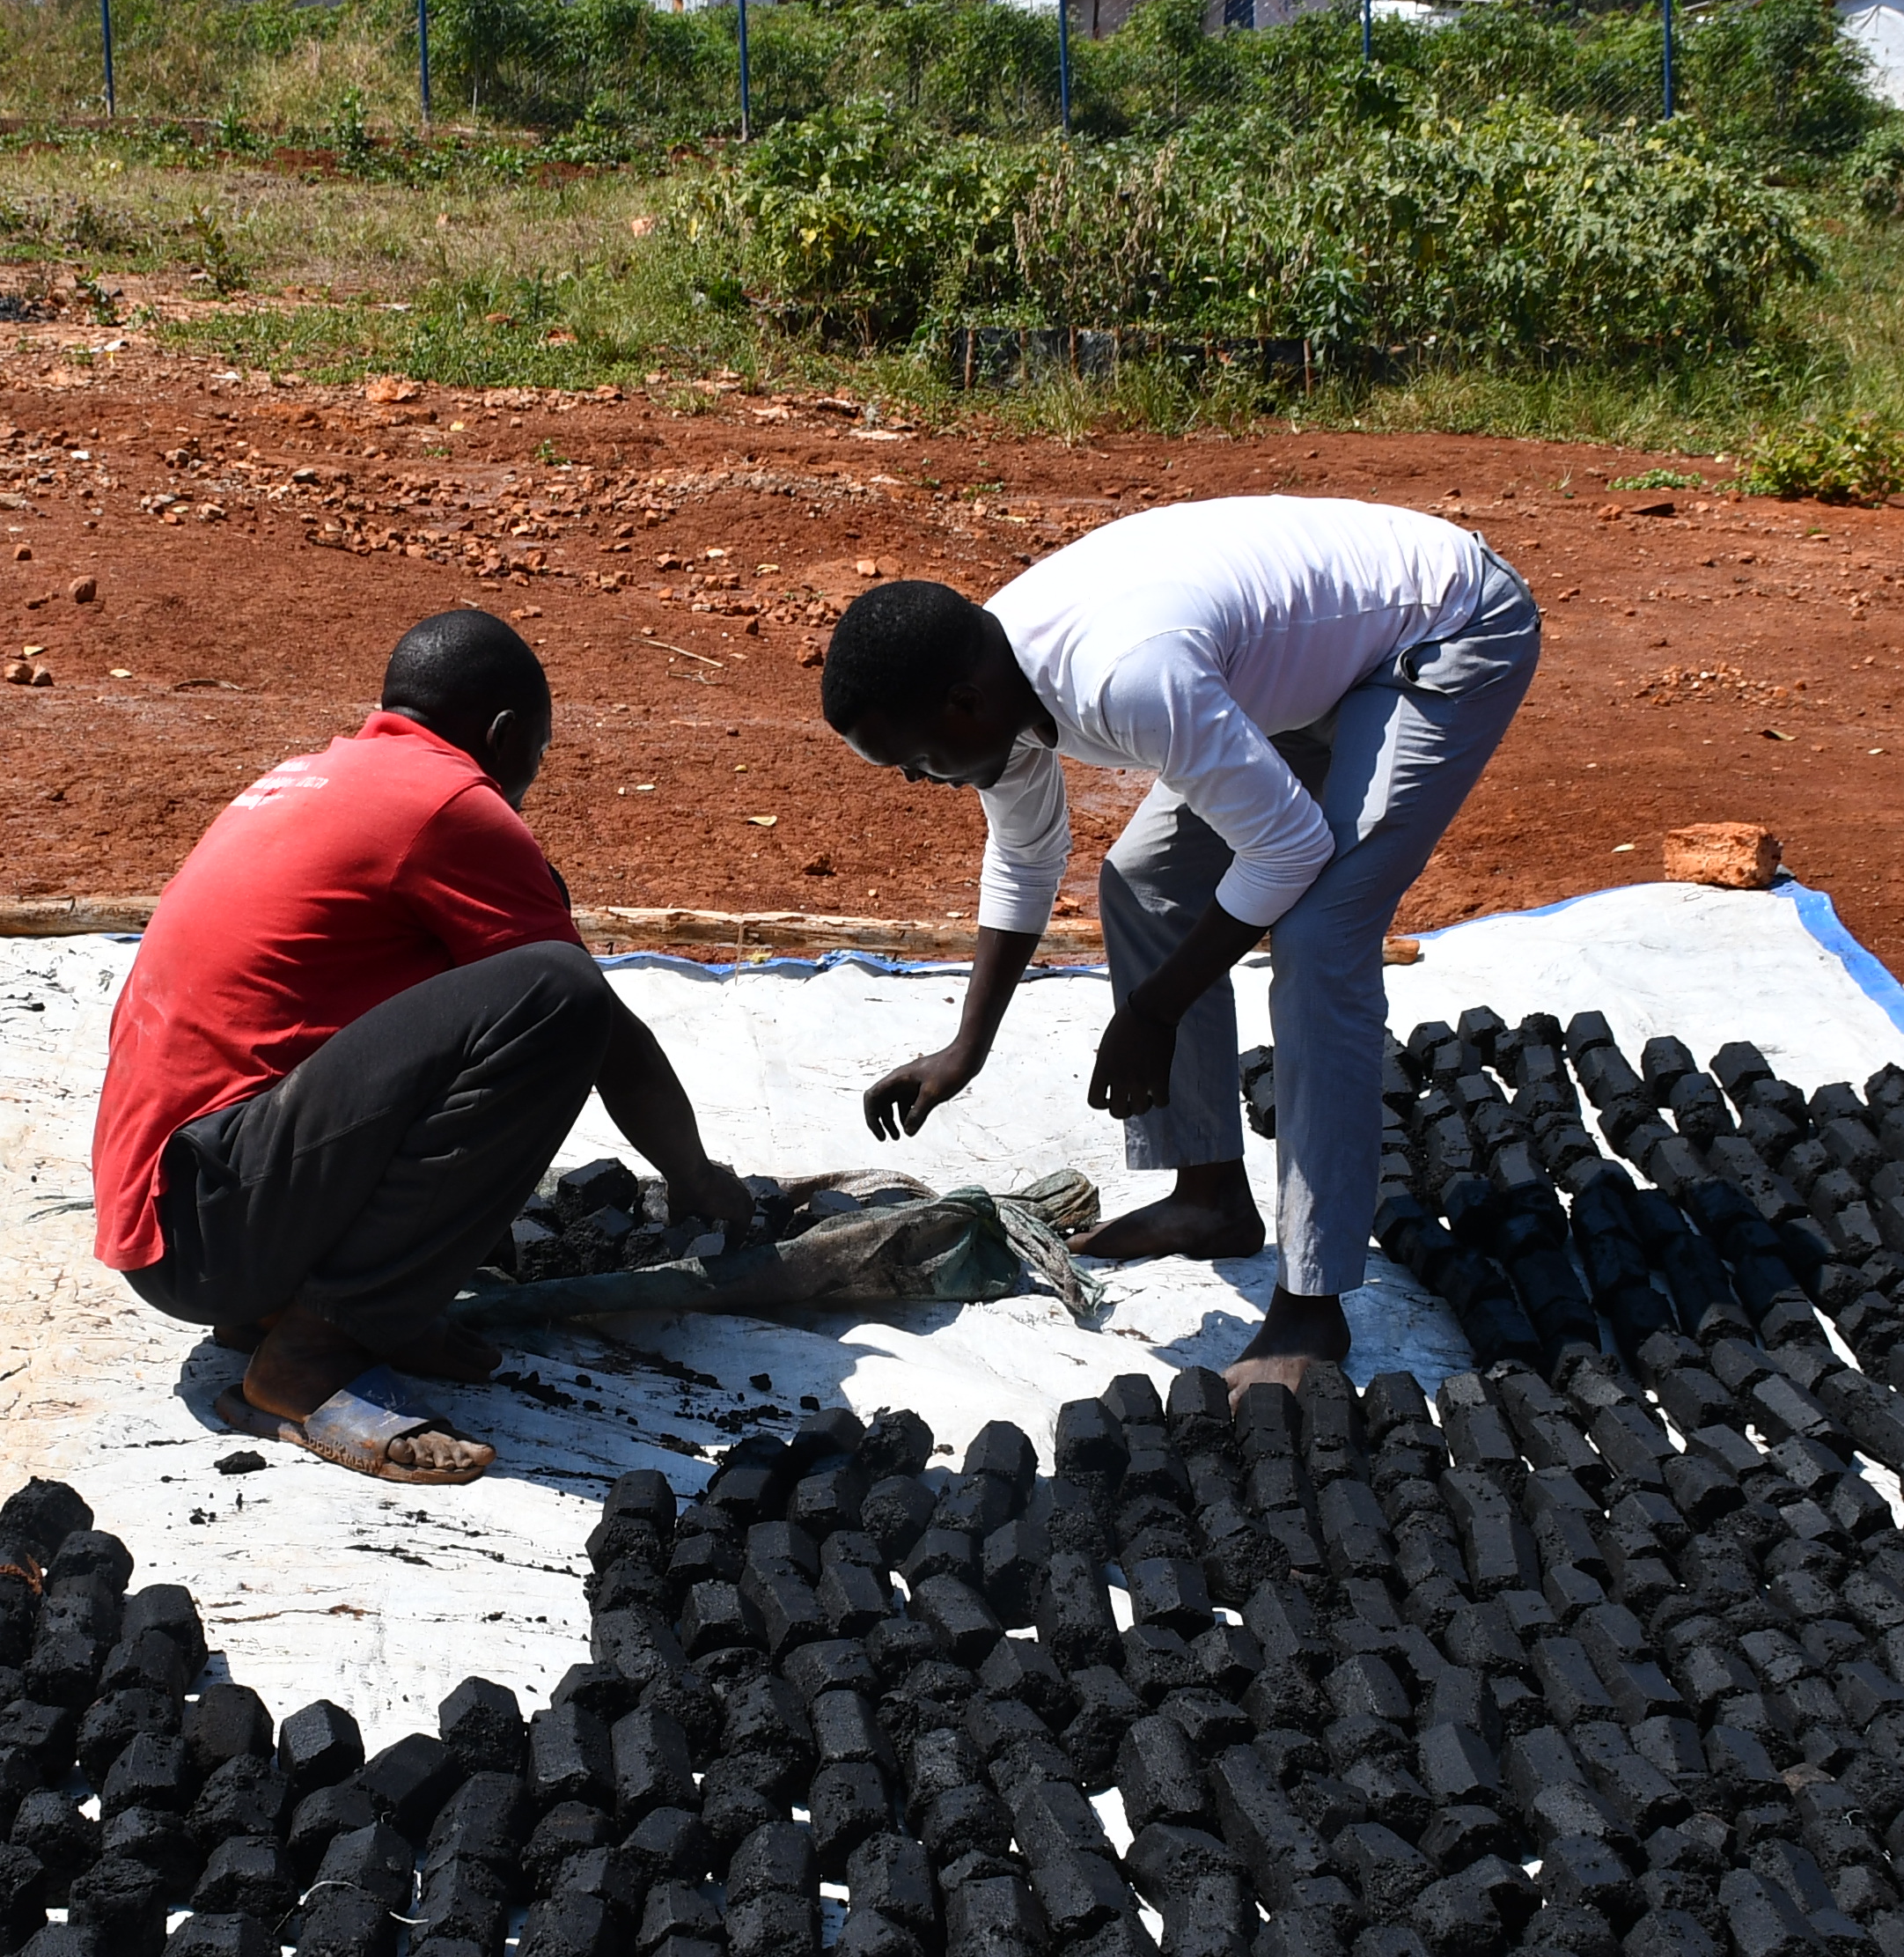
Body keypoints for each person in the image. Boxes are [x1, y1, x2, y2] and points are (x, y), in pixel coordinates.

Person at [820, 494, 1543, 1393]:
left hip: (1437, 631)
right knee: (1147, 879)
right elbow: (1026, 851)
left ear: (963, 705)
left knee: (1319, 938)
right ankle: (1211, 1200)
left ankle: (1313, 1308)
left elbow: (1290, 848)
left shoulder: (1124, 678)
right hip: (1311, 659)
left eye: (915, 761)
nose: (919, 781)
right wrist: (966, 1048)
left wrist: (1156, 1009)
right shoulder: (992, 669)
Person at [96, 607, 754, 1486]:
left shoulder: (317, 775)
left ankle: (300, 1311)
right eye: (537, 758)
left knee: (507, 963)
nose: (527, 789)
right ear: (504, 733)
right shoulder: (450, 805)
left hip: (183, 1211)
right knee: (554, 989)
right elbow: (602, 1029)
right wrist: (696, 1177)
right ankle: (311, 1355)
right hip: (211, 1221)